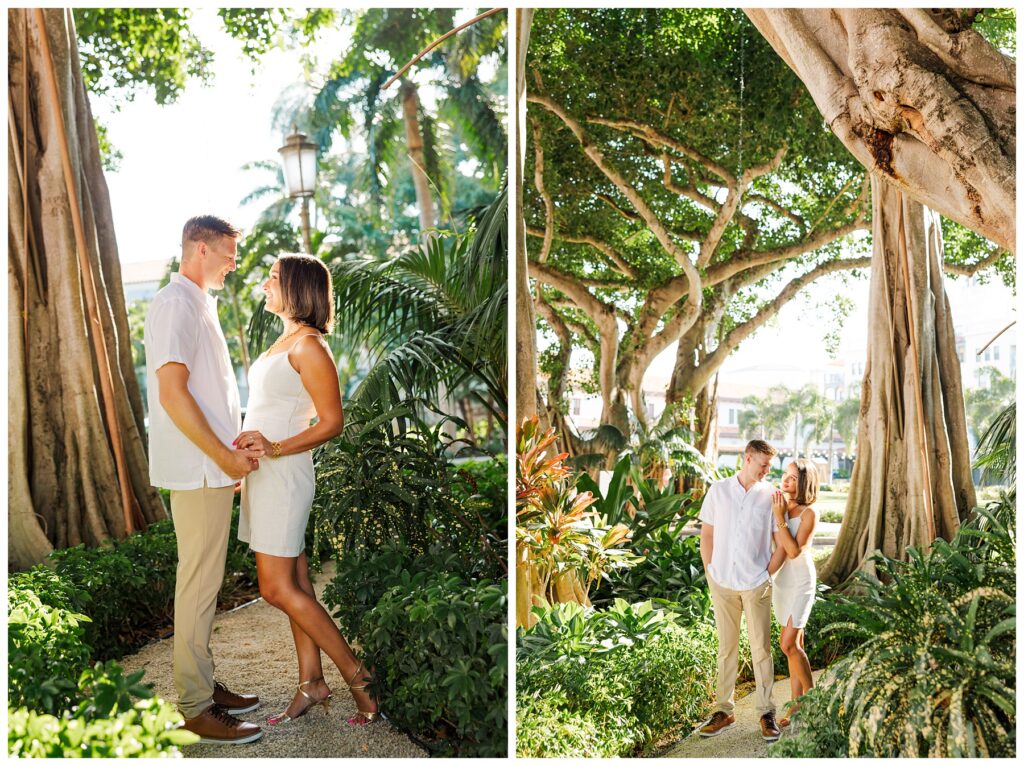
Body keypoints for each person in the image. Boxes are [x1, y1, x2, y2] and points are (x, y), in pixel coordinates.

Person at [233, 254, 380, 727]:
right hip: (264, 473)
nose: (264, 285)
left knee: (275, 589)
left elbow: (332, 422)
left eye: (273, 279)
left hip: (285, 474)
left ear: (297, 288)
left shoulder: (310, 347)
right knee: (294, 584)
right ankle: (311, 682)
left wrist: (273, 448)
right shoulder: (284, 342)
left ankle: (360, 678)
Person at [145, 215, 264, 745]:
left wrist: (230, 452)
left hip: (211, 467)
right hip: (197, 469)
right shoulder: (176, 304)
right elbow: (173, 395)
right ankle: (195, 706)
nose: (234, 265)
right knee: (197, 585)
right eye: (228, 255)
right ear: (199, 249)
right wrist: (222, 456)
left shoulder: (199, 304)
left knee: (205, 584)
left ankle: (205, 686)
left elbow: (210, 396)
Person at [697, 440, 781, 742]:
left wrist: (767, 573)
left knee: (761, 650)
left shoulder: (771, 496)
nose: (767, 470)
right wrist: (710, 572)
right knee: (726, 648)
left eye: (769, 465)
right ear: (747, 459)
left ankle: (766, 712)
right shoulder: (718, 491)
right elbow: (707, 534)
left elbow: (779, 540)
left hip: (756, 583)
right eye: (763, 464)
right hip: (722, 583)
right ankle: (724, 711)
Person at [767, 459, 819, 728]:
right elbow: (776, 548)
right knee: (793, 647)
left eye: (793, 477)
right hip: (783, 581)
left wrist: (779, 519)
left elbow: (794, 550)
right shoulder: (780, 505)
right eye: (785, 475)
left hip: (801, 581)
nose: (786, 480)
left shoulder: (809, 513)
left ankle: (813, 702)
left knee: (788, 644)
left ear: (804, 482)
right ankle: (795, 706)